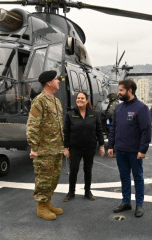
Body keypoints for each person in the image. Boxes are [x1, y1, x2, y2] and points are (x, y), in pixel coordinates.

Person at [107, 78, 152, 218]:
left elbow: (146, 130)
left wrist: (142, 150)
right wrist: (111, 145)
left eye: (121, 90)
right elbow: (113, 127)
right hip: (120, 150)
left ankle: (139, 204)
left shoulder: (141, 108)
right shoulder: (119, 108)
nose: (118, 93)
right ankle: (126, 202)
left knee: (138, 177)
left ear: (130, 90)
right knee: (124, 177)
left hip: (134, 151)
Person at [26, 70, 64, 221]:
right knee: (43, 178)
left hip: (56, 148)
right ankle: (41, 207)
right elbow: (32, 125)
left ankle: (47, 203)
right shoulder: (39, 101)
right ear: (48, 83)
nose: (59, 81)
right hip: (44, 149)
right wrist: (34, 147)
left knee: (54, 178)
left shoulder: (56, 101)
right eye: (56, 79)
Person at [63, 92, 105, 202]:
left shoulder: (94, 114)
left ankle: (88, 192)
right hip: (75, 148)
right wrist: (65, 148)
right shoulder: (70, 114)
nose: (79, 100)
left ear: (86, 101)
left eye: (82, 98)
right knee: (73, 170)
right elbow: (66, 132)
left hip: (89, 147)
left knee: (88, 170)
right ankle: (71, 192)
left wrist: (101, 145)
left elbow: (99, 131)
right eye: (78, 98)